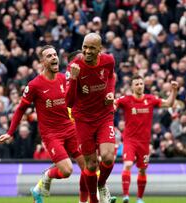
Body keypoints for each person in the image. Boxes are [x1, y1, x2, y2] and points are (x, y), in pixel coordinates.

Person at [0, 45, 88, 203]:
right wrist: (10, 132)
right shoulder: (34, 85)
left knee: (88, 168)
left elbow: (74, 100)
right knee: (67, 171)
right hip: (52, 135)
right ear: (42, 62)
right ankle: (47, 176)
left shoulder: (63, 79)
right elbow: (20, 109)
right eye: (49, 56)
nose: (54, 57)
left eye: (55, 54)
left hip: (70, 129)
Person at [66, 32, 116, 203]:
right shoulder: (74, 66)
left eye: (91, 48)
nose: (87, 51)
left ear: (99, 50)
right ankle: (93, 200)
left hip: (104, 115)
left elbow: (111, 77)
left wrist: (110, 93)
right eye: (84, 47)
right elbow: (69, 102)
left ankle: (101, 185)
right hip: (83, 120)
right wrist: (73, 79)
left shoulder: (109, 60)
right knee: (91, 164)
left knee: (109, 158)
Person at [115, 75, 178, 203]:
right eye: (136, 84)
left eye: (141, 84)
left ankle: (139, 198)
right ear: (132, 87)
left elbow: (169, 103)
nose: (139, 86)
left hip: (144, 142)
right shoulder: (126, 100)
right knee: (127, 165)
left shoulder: (150, 99)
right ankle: (126, 196)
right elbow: (114, 103)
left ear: (144, 85)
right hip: (130, 140)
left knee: (142, 170)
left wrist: (174, 90)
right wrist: (111, 104)